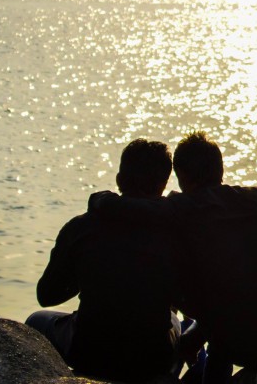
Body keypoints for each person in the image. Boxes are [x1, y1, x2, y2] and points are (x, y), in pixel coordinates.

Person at [90, 131, 257, 383]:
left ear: (182, 177)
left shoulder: (180, 208)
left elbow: (125, 207)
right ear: (220, 169)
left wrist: (99, 198)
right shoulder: (255, 198)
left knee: (222, 304)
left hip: (230, 337)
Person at [26, 139, 181, 382]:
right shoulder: (177, 230)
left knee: (36, 320)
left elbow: (47, 296)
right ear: (163, 184)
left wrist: (88, 274)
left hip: (89, 352)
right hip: (152, 358)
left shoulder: (81, 227)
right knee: (175, 319)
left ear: (119, 180)